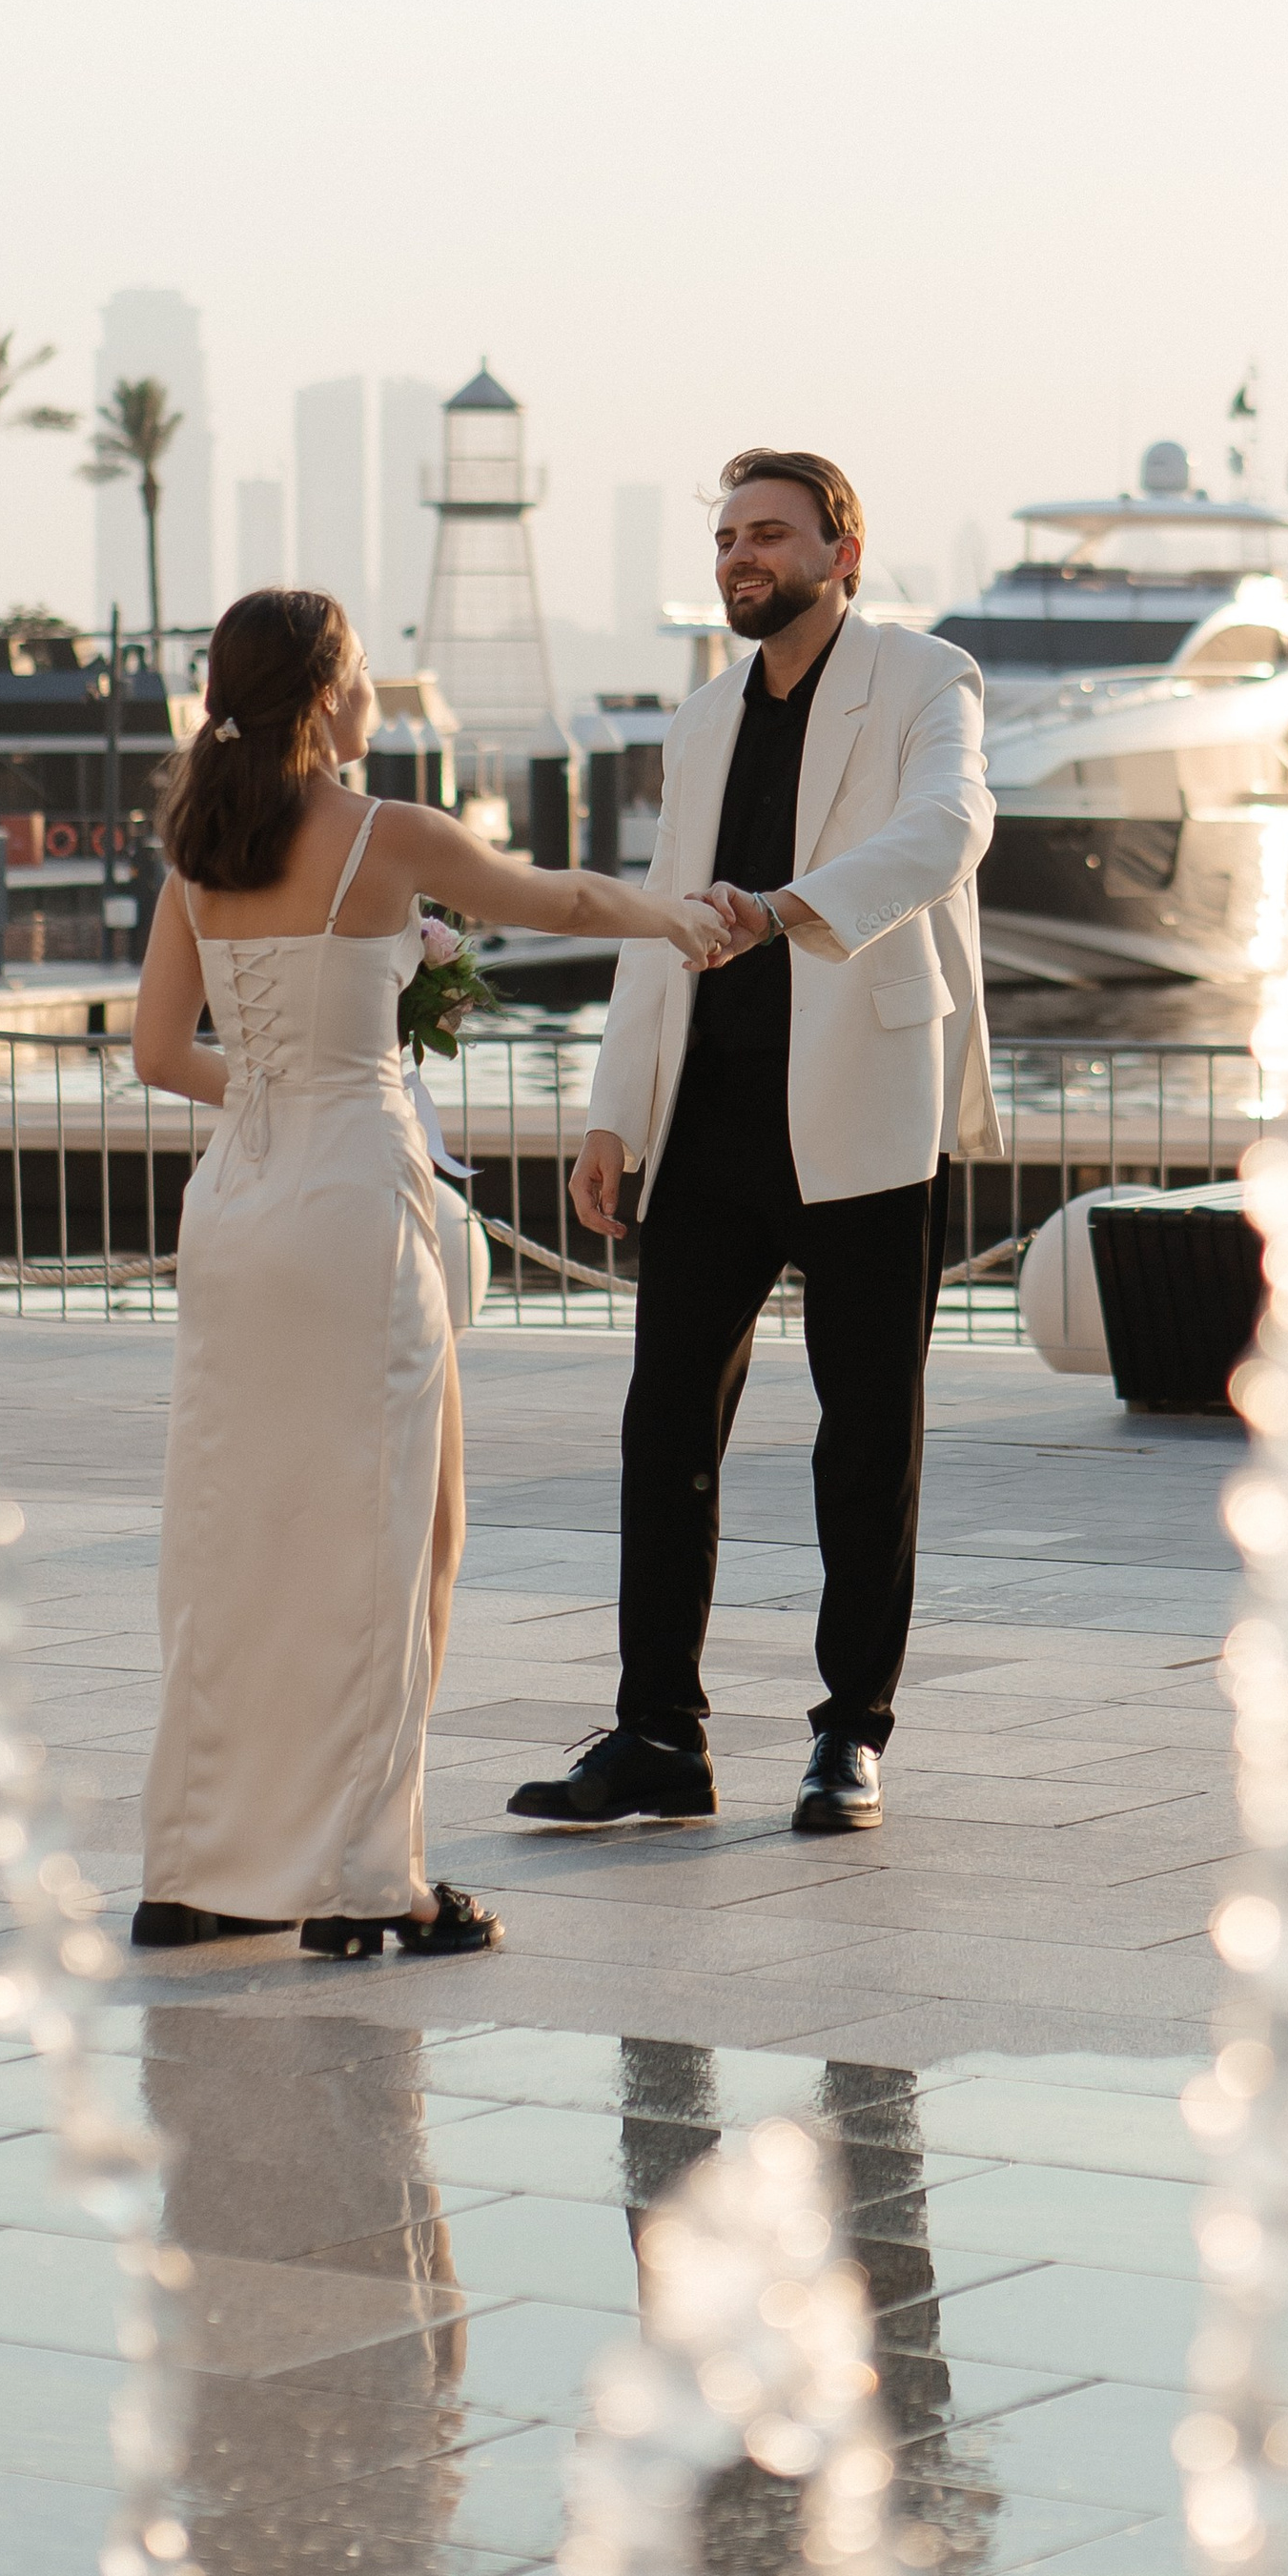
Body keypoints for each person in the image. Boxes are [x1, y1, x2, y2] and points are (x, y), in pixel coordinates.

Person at [128, 584, 731, 1957]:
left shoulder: (198, 841)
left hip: (236, 1206)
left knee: (238, 1536)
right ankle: (368, 1879)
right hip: (351, 1201)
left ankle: (194, 1871)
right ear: (332, 692)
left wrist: (279, 1087)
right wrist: (682, 922)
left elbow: (161, 1054)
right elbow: (559, 893)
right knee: (402, 1537)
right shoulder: (378, 833)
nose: (375, 697)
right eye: (364, 675)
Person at [508, 450, 1000, 1841]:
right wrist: (612, 1110)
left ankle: (852, 1731)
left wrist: (789, 908)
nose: (741, 555)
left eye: (769, 533)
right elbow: (667, 913)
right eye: (727, 535)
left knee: (866, 1438)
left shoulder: (922, 677)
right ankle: (659, 1728)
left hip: (867, 1109)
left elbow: (949, 829)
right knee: (664, 1425)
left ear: (843, 549)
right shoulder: (705, 712)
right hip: (709, 1118)